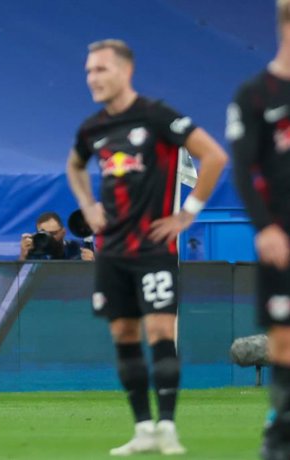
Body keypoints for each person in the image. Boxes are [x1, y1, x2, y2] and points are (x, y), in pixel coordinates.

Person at [66, 39, 227, 455]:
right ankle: (142, 429)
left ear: (125, 71)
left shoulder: (158, 117)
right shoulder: (93, 127)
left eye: (101, 69)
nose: (93, 78)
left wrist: (187, 214)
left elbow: (214, 156)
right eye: (88, 71)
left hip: (154, 247)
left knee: (159, 333)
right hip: (113, 251)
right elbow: (74, 164)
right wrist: (88, 204)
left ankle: (169, 427)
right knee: (123, 334)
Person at [228, 2, 290, 457]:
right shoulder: (255, 94)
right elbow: (243, 169)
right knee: (283, 337)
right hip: (280, 239)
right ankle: (281, 425)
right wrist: (266, 227)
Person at [19, 211, 94, 261]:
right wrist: (23, 256)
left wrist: (92, 264)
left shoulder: (78, 249)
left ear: (63, 232)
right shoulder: (35, 252)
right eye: (44, 234)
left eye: (53, 234)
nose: (49, 238)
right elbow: (20, 280)